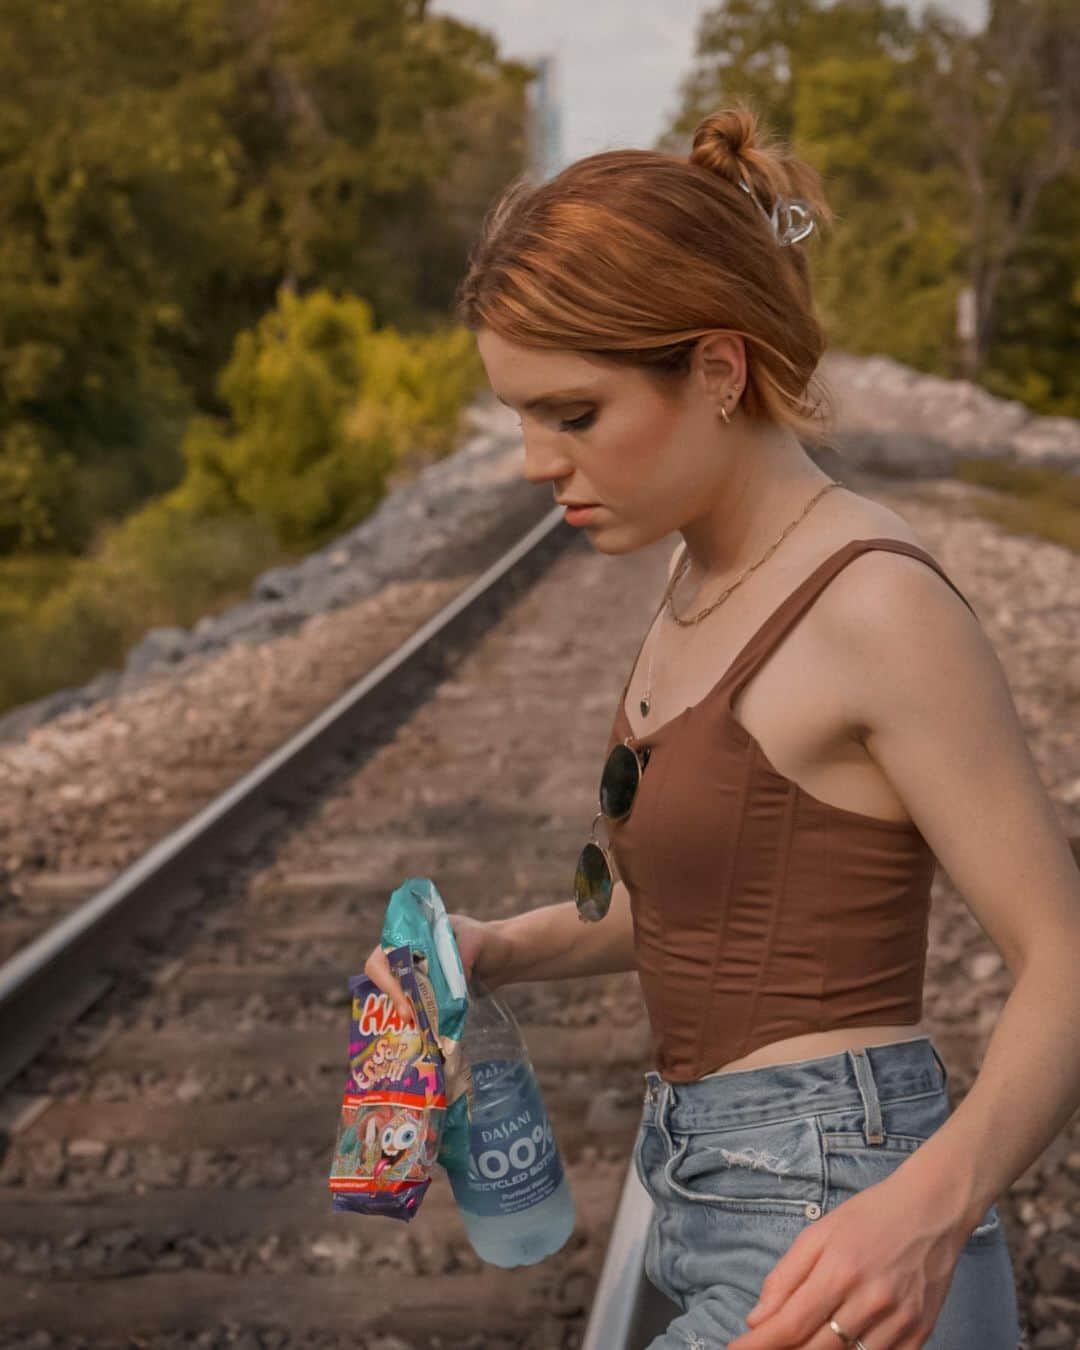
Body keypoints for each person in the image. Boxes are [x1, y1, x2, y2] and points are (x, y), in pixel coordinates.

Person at [365, 98, 1080, 1349]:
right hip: (718, 1202)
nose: (537, 462)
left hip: (845, 1230)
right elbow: (699, 911)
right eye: (518, 416)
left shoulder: (873, 602)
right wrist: (495, 949)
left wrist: (926, 1213)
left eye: (572, 414)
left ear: (716, 367)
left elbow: (1068, 962)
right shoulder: (700, 580)